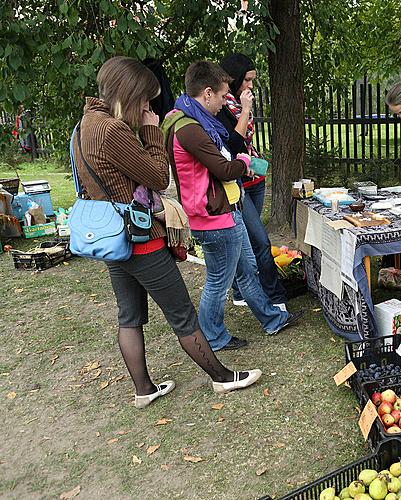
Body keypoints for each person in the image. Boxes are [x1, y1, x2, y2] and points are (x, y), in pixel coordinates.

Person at [73, 56, 262, 408]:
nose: (148, 106)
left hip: (112, 236)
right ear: (129, 95)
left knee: (129, 317)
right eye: (145, 99)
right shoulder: (112, 130)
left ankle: (144, 389)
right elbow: (159, 177)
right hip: (139, 239)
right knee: (183, 316)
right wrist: (149, 129)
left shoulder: (85, 124)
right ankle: (222, 377)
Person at [163, 61, 302, 350]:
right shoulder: (189, 128)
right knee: (218, 281)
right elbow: (225, 170)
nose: (225, 103)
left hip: (222, 209)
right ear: (208, 93)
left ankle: (272, 320)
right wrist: (245, 162)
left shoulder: (190, 119)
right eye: (224, 96)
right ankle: (212, 336)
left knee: (247, 269)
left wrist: (237, 164)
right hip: (212, 215)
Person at [217, 53, 287, 311]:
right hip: (236, 183)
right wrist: (245, 110)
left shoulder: (236, 103)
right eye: (247, 80)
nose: (250, 86)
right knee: (260, 241)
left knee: (249, 239)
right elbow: (234, 142)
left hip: (254, 179)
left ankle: (239, 290)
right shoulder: (222, 106)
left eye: (253, 81)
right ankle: (275, 297)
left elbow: (246, 142)